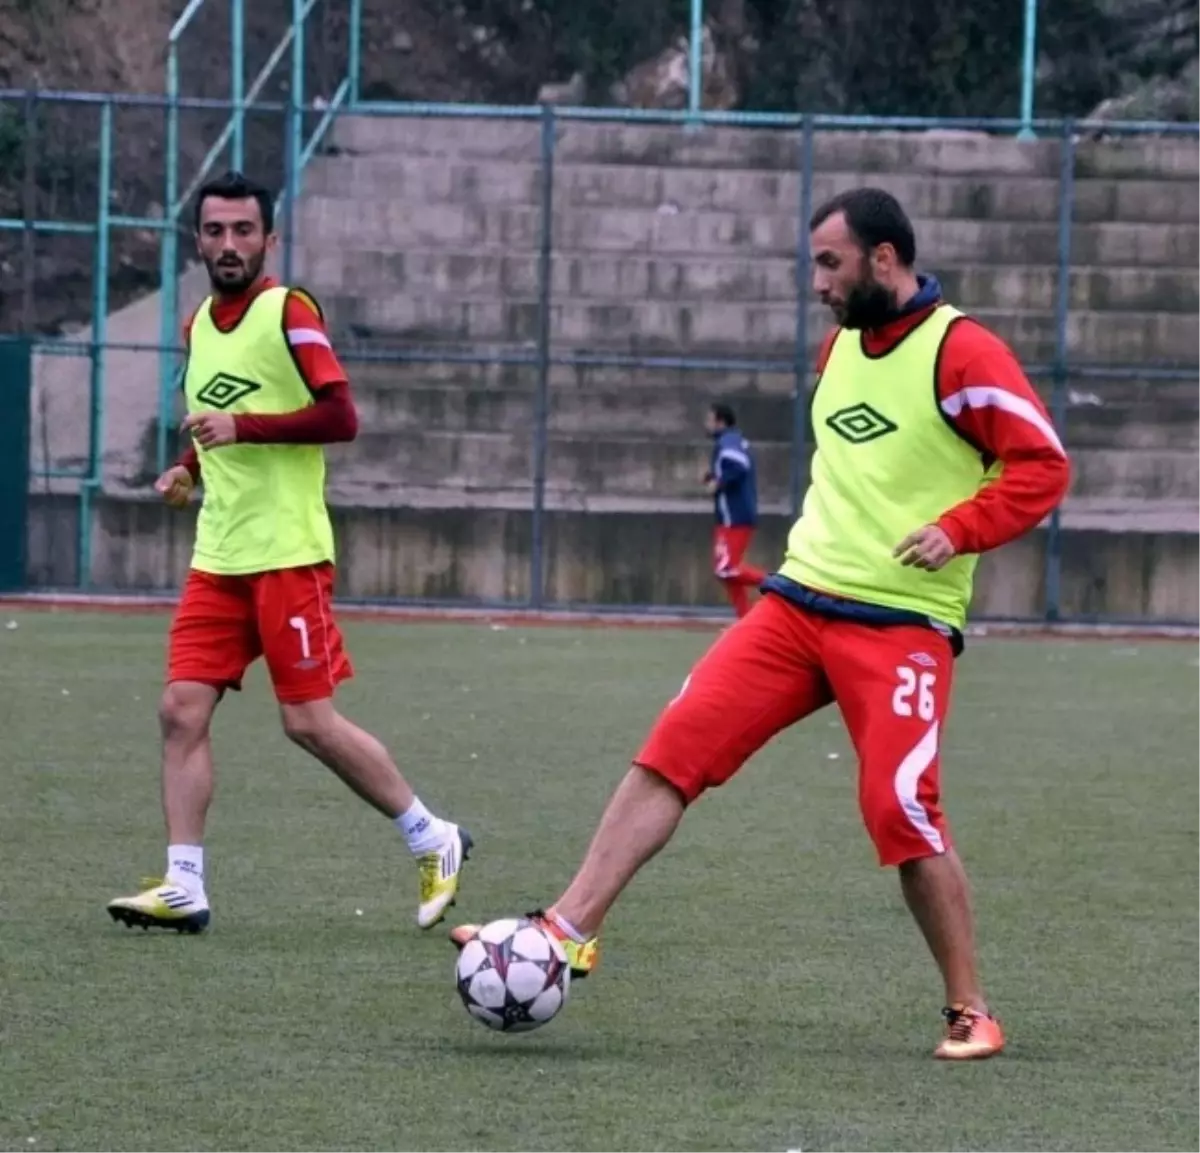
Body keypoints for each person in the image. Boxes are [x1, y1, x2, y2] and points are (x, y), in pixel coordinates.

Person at [451, 187, 1071, 1060]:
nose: (816, 282)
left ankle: (972, 1009)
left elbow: (1042, 464)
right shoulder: (839, 348)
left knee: (899, 806)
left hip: (901, 624)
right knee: (674, 747)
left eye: (830, 263)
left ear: (883, 261)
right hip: (796, 602)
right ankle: (562, 929)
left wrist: (957, 528)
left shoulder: (960, 352)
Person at [107, 170, 472, 935]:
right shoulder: (197, 325)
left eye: (244, 231)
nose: (229, 244)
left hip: (287, 555)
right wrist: (188, 470)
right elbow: (214, 422)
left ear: (269, 240)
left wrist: (247, 430)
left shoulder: (291, 311)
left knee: (307, 722)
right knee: (180, 711)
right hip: (220, 555)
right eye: (215, 231)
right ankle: (183, 883)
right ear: (198, 241)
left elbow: (341, 415)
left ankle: (431, 835)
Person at [702, 402, 766, 618]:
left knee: (727, 569)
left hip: (735, 517)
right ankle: (744, 618)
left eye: (709, 420)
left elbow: (739, 465)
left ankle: (776, 584)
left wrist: (718, 482)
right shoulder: (730, 440)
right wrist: (712, 478)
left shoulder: (728, 441)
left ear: (720, 422)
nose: (706, 424)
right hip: (728, 517)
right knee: (725, 572)